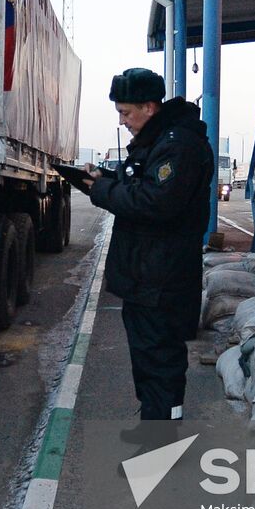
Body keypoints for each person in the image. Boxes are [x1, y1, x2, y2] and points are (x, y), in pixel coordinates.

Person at [88, 67, 213, 422]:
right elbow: (143, 184)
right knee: (148, 364)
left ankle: (161, 444)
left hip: (161, 282)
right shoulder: (161, 141)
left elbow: (157, 202)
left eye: (126, 113)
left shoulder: (178, 146)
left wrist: (102, 191)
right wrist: (106, 179)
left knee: (160, 367)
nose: (123, 121)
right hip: (148, 278)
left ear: (149, 107)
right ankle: (154, 431)